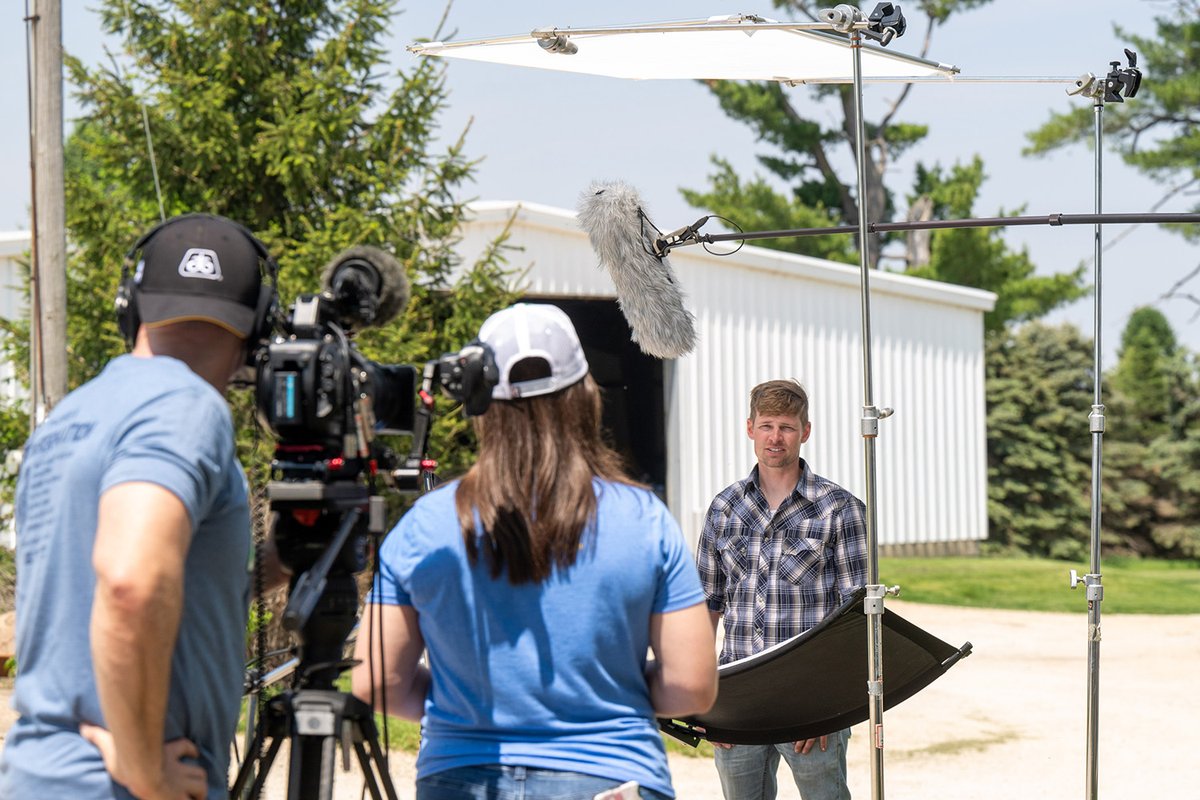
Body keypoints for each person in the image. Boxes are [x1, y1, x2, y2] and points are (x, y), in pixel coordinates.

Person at [351, 303, 717, 800]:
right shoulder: (645, 520)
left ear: (480, 402)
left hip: (461, 776)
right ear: (585, 396)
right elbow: (692, 686)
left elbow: (375, 681)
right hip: (613, 777)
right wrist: (614, 692)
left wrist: (458, 704)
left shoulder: (426, 525)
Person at [1, 214, 283, 799]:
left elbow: (99, 588)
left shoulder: (72, 418)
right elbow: (131, 582)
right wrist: (139, 765)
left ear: (130, 306)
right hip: (125, 784)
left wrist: (281, 560)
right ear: (258, 329)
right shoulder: (187, 406)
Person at [696, 379, 868, 800]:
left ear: (805, 431)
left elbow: (857, 616)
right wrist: (705, 697)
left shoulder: (839, 509)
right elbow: (706, 606)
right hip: (737, 698)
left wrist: (829, 705)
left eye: (787, 427)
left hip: (809, 698)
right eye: (767, 425)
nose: (776, 438)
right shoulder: (725, 507)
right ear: (750, 428)